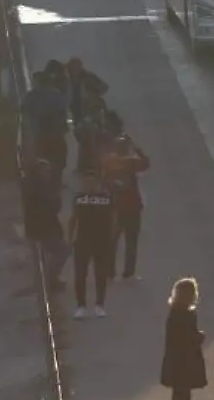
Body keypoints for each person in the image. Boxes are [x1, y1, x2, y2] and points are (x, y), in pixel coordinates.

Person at [159, 277, 207, 400]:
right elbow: (188, 338)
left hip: (175, 363)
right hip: (184, 364)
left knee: (179, 399)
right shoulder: (186, 315)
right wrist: (200, 337)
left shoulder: (174, 313)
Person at [68, 169, 117, 318]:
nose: (88, 185)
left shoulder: (106, 198)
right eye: (86, 182)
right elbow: (73, 218)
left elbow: (113, 219)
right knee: (80, 275)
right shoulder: (79, 198)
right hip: (82, 240)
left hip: (102, 241)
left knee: (100, 274)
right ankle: (81, 306)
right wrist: (70, 238)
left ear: (97, 183)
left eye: (91, 182)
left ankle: (99, 304)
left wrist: (112, 239)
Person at [103, 133, 149, 282]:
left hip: (115, 207)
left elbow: (104, 181)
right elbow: (146, 163)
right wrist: (136, 147)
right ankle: (128, 273)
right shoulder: (130, 162)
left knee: (112, 240)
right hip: (132, 207)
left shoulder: (109, 162)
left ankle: (109, 271)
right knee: (131, 241)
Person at [22, 157, 69, 284]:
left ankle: (47, 279)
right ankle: (50, 278)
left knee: (44, 256)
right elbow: (49, 208)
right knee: (62, 251)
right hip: (43, 229)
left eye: (49, 171)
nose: (48, 174)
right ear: (38, 172)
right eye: (45, 171)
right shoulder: (38, 189)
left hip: (38, 229)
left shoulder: (36, 186)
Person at [20, 68, 70, 173]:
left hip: (41, 132)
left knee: (43, 157)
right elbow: (64, 112)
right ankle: (56, 178)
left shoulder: (31, 96)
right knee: (57, 158)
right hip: (55, 132)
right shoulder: (56, 94)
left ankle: (46, 178)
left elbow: (24, 113)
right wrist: (66, 126)